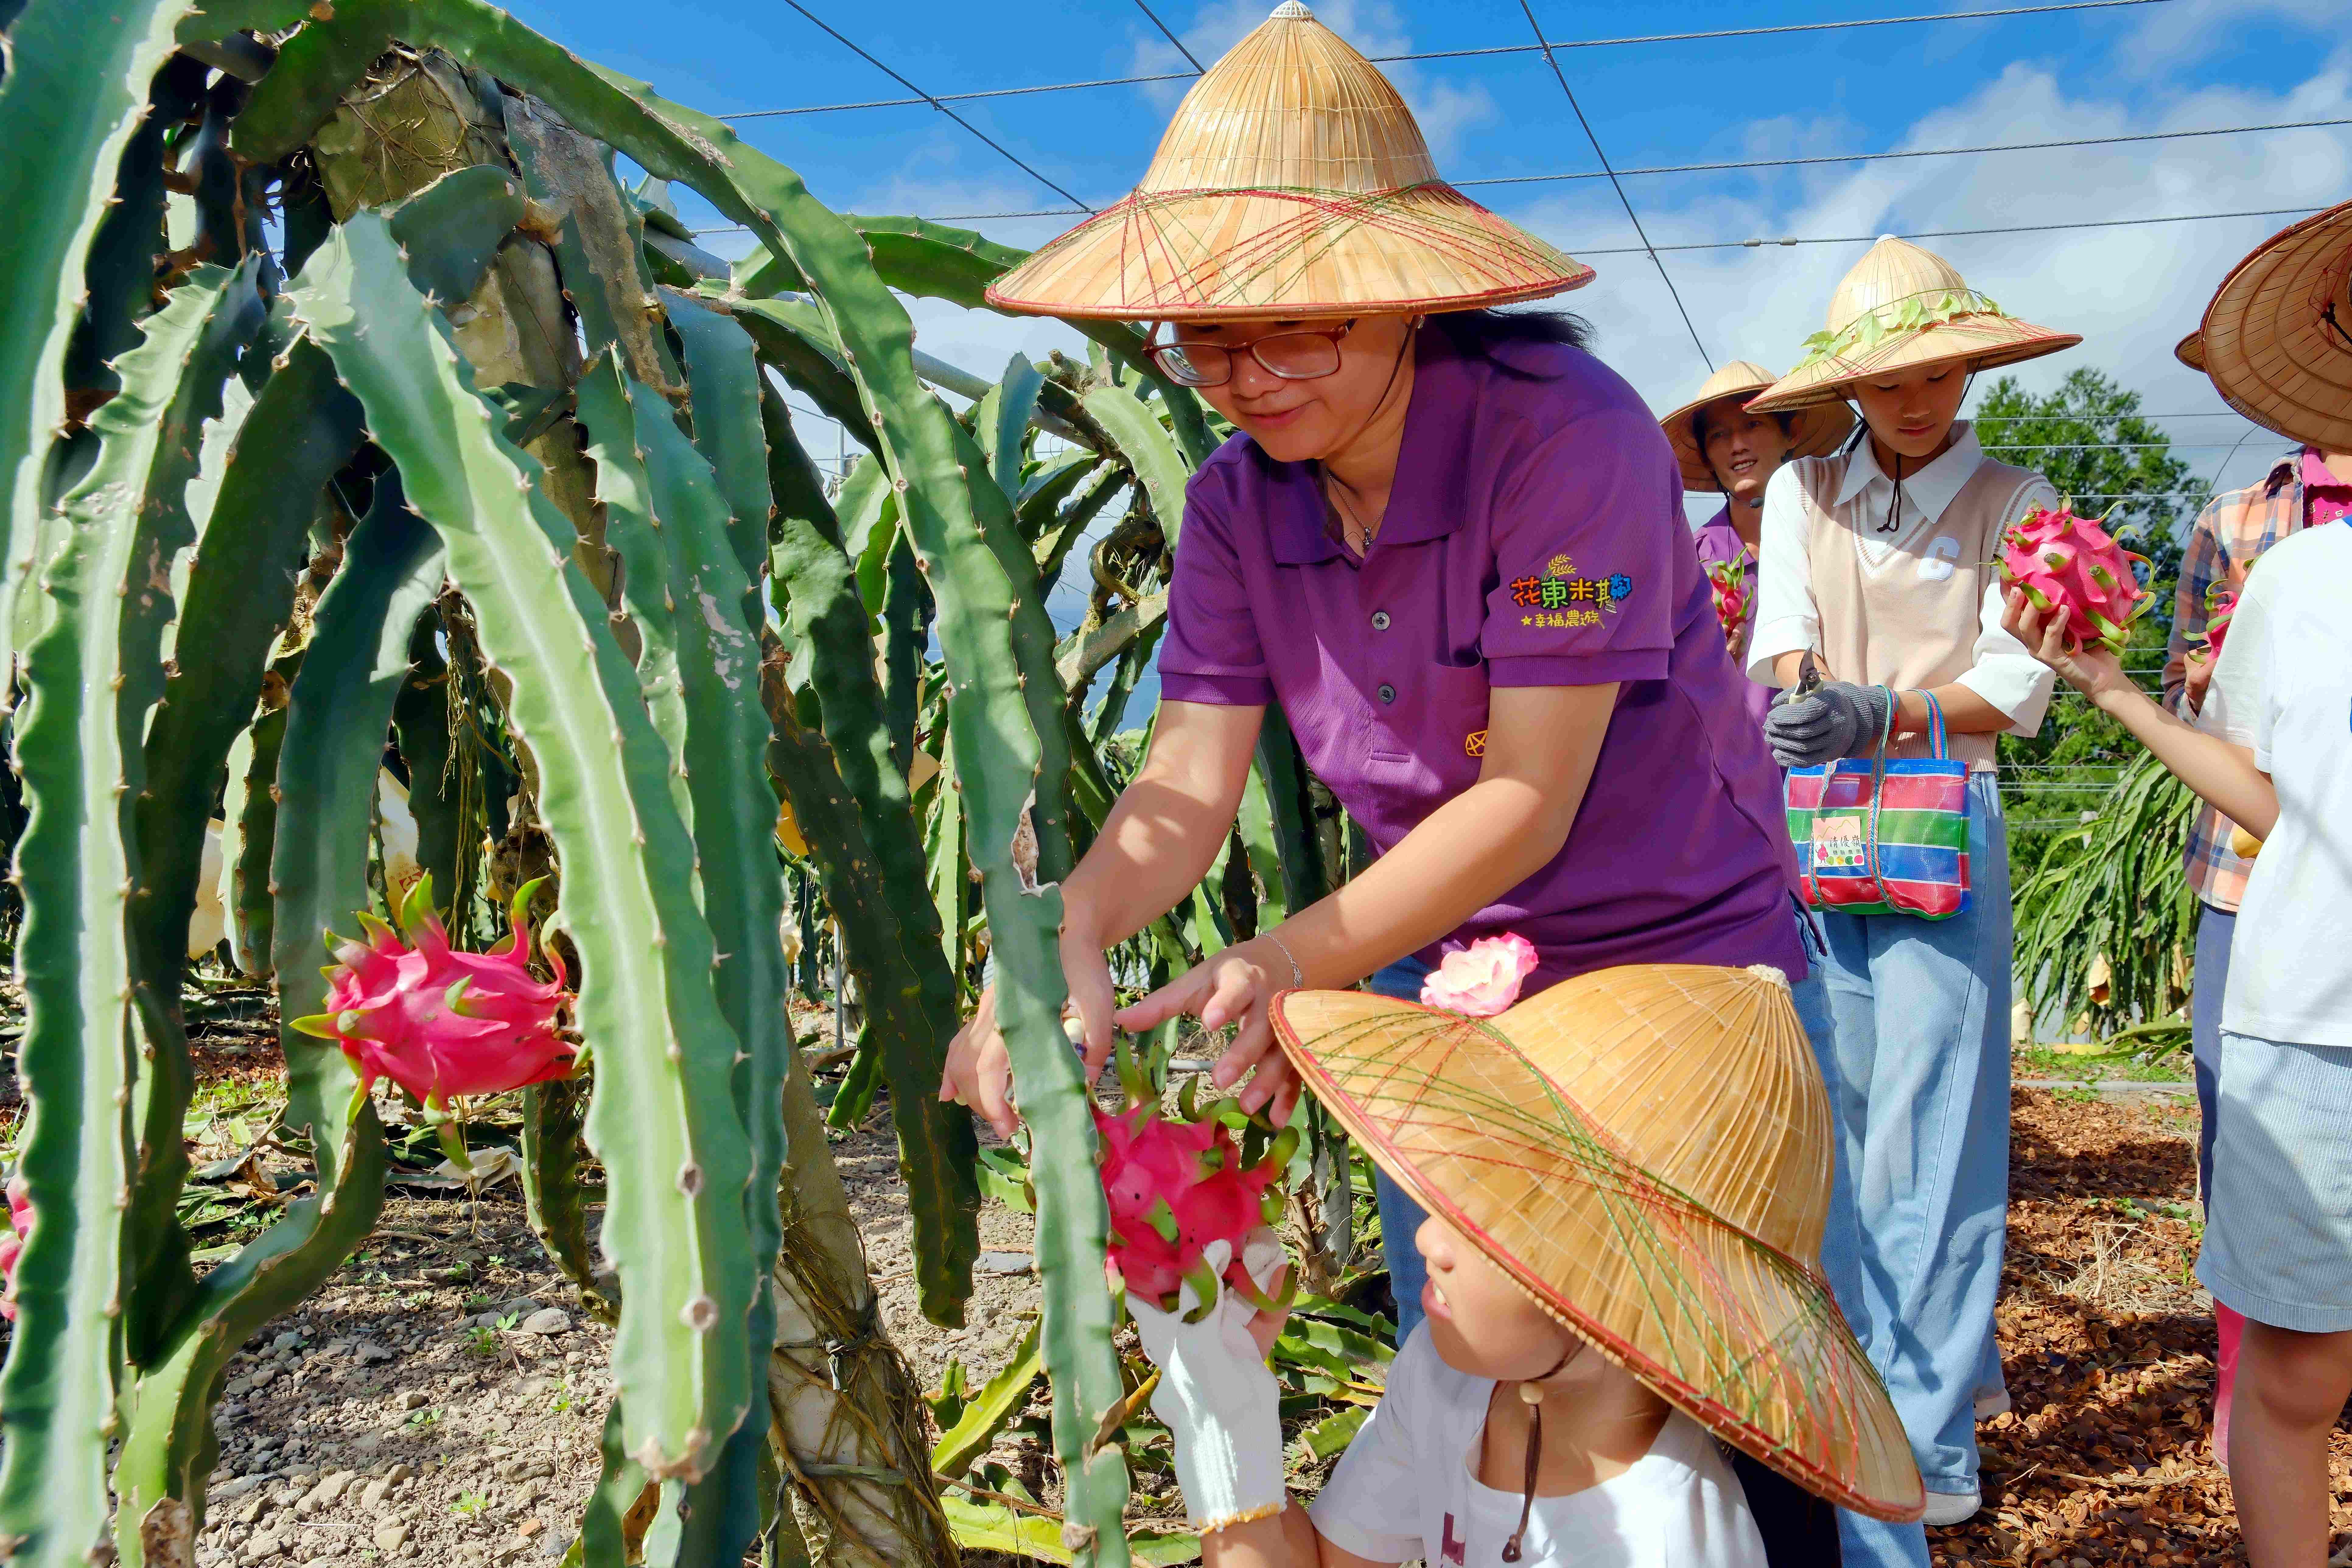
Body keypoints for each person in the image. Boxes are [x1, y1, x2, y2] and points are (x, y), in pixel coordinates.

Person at [964, 7, 1926, 1565]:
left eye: (1297, 327)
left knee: (1736, 1389)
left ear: (1407, 301)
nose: (1247, 376)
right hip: (1444, 955)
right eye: (1204, 337)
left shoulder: (1566, 441)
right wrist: (1059, 946)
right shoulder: (1229, 507)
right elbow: (1185, 779)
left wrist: (1286, 961)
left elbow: (1527, 799)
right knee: (1472, 1351)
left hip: (1675, 961)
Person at [1123, 963, 1923, 1567]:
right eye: (1445, 1195)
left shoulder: (1669, 1539)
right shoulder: (1442, 1386)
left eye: (1493, 1217)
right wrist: (1225, 1415)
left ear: (1617, 1292)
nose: (1430, 1239)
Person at [1743, 235, 2077, 1527]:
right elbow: (1783, 637)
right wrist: (1793, 712)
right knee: (1831, 1116)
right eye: (1887, 379)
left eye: (1936, 371)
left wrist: (1873, 709)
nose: (1914, 398)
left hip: (1948, 815)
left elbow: (2012, 685)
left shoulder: (2015, 493)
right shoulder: (1799, 493)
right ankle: (1847, 1409)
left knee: (1935, 1135)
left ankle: (1925, 1448)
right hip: (1820, 818)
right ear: (1850, 383)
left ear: (1967, 363)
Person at [2056, 198, 2352, 1567]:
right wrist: (2114, 688)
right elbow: (2274, 801)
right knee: (2293, 1383)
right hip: (2311, 1029)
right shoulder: (2290, 570)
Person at [1657, 363, 1852, 725]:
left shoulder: (1842, 539)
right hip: (1729, 770)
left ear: (1790, 433)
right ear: (1706, 457)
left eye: (1753, 424)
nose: (1738, 446)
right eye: (1718, 435)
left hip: (1835, 756)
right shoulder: (1689, 563)